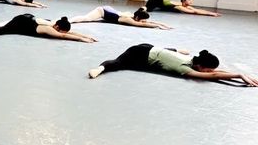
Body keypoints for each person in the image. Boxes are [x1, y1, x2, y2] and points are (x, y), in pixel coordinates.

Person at [88, 44, 258, 86]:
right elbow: (213, 75)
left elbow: (215, 72)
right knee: (117, 64)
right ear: (200, 66)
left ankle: (177, 49)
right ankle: (100, 68)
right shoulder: (184, 69)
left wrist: (242, 75)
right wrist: (238, 75)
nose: (208, 72)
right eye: (207, 69)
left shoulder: (192, 60)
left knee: (168, 52)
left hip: (152, 48)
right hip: (138, 54)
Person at [0, 14, 97, 43]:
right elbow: (63, 35)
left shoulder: (54, 24)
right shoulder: (49, 28)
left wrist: (87, 36)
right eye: (61, 30)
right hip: (21, 22)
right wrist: (81, 40)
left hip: (28, 18)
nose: (62, 32)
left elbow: (69, 32)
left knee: (6, 29)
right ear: (57, 27)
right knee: (5, 29)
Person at [70, 6, 171, 30]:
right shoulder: (128, 19)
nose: (144, 21)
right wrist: (157, 26)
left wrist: (162, 24)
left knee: (87, 18)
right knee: (87, 18)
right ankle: (70, 20)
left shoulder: (133, 16)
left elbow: (145, 22)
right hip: (102, 11)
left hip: (110, 10)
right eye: (143, 19)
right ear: (137, 17)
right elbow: (140, 24)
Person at [145, 0, 220, 16]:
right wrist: (210, 14)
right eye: (189, 0)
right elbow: (194, 11)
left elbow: (196, 10)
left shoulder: (184, 5)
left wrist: (211, 13)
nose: (191, 1)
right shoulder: (179, 6)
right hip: (154, 1)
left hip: (163, 1)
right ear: (184, 0)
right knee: (148, 10)